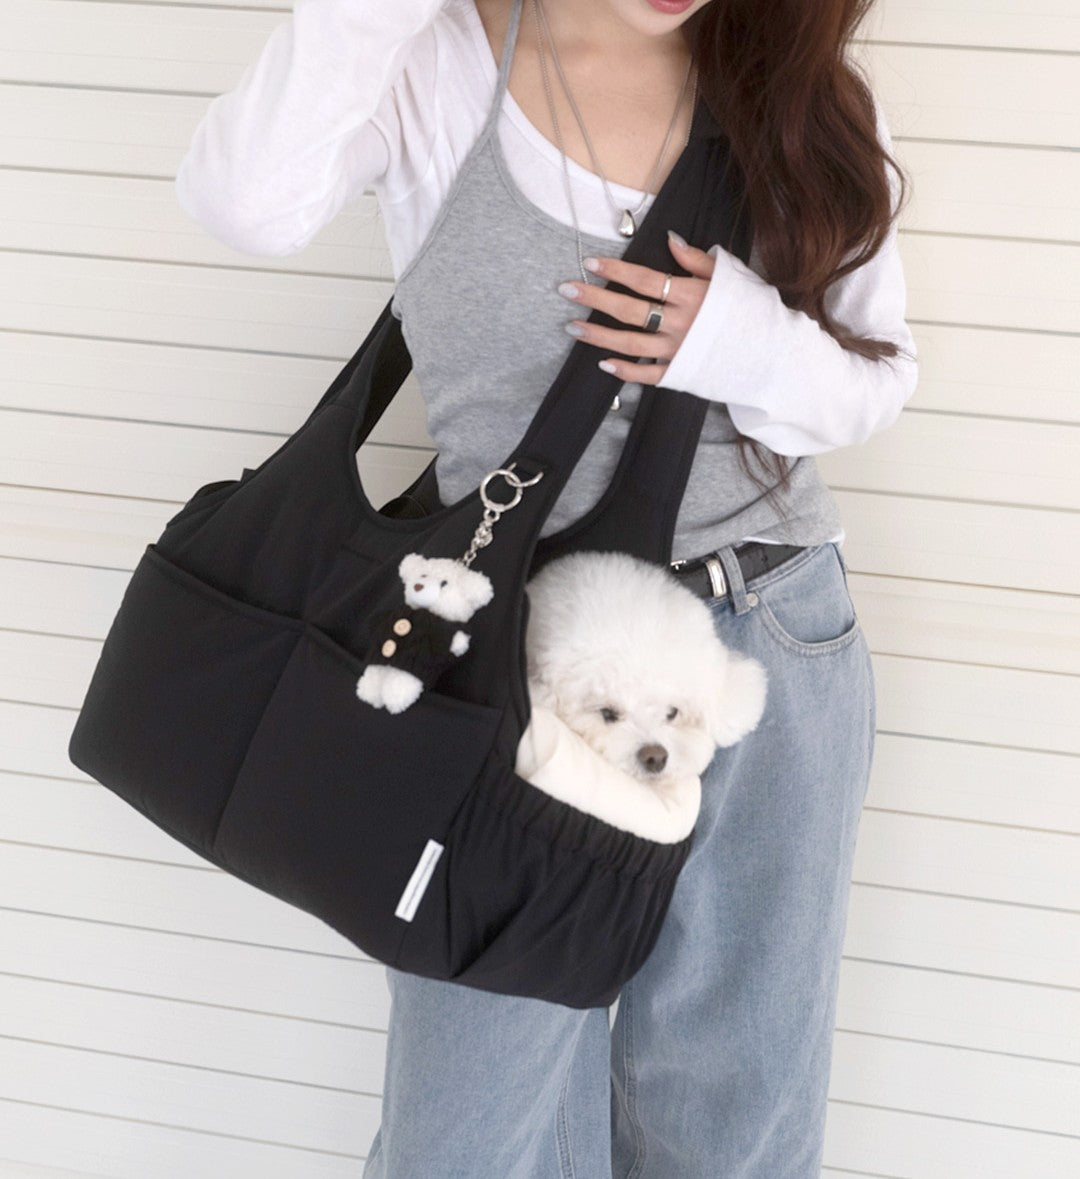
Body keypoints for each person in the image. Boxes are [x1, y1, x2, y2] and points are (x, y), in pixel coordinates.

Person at [176, 0, 918, 1173]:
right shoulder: (435, 64)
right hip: (526, 676)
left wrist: (736, 338)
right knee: (470, 1138)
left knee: (738, 1114)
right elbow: (242, 202)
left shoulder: (797, 86)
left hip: (766, 636)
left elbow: (874, 385)